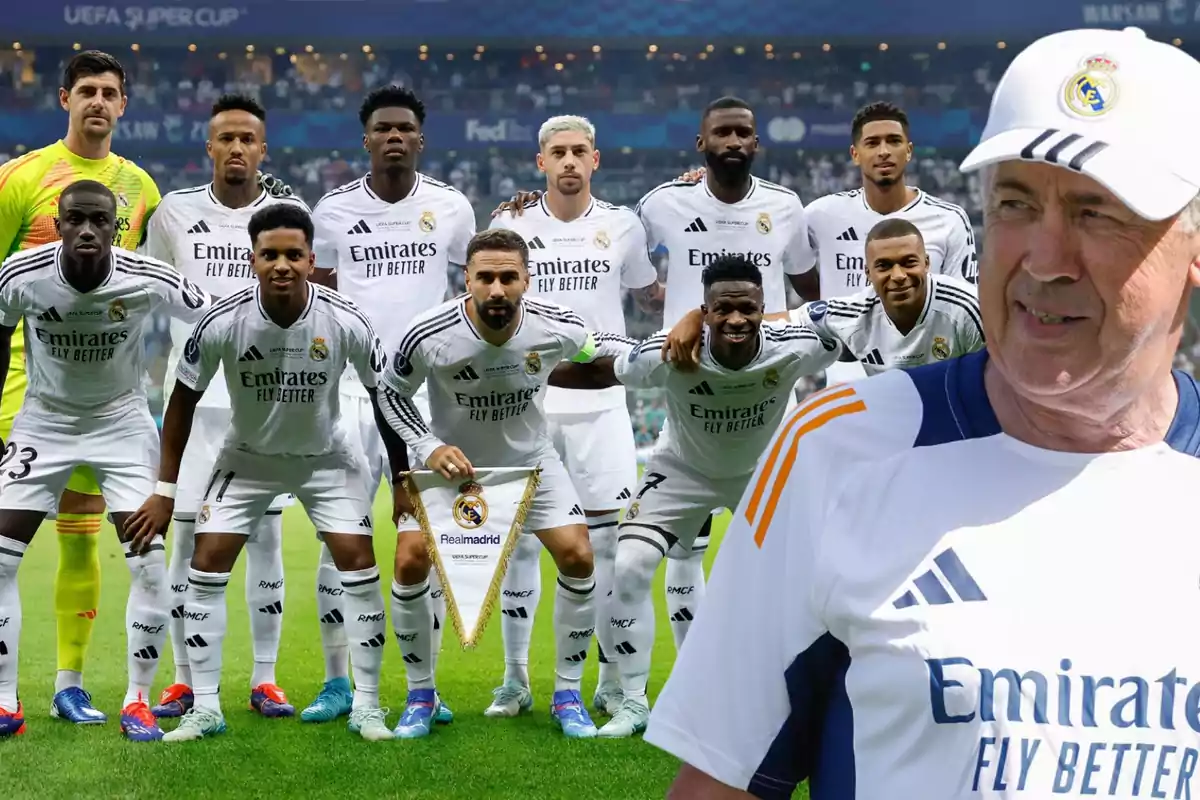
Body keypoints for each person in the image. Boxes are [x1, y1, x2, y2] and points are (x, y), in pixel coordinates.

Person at [645, 26, 1200, 799]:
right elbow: (719, 785)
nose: (1044, 260)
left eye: (1097, 212)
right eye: (1016, 202)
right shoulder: (834, 452)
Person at [127, 203, 399, 744]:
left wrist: (406, 480)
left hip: (326, 459)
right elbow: (180, 403)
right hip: (246, 459)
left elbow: (382, 396)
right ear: (252, 259)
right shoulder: (222, 321)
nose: (281, 265)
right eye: (269, 254)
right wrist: (165, 490)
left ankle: (367, 705)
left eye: (293, 255)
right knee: (206, 561)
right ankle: (206, 706)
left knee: (357, 561)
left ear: (311, 260)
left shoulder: (345, 320)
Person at [550, 254, 839, 738]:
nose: (735, 319)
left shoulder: (796, 345)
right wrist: (525, 369)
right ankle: (635, 701)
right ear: (704, 311)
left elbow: (852, 321)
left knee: (803, 579)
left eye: (747, 308)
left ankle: (802, 691)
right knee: (629, 565)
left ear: (764, 307)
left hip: (762, 474)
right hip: (681, 469)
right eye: (721, 309)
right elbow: (602, 369)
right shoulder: (669, 352)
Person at [376, 228, 635, 740]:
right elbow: (390, 393)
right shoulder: (426, 333)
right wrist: (427, 447)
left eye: (508, 277)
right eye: (486, 277)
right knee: (408, 562)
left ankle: (567, 694)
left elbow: (603, 346)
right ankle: (420, 695)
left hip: (531, 463)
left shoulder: (555, 325)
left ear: (527, 280)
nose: (497, 289)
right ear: (466, 279)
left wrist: (665, 344)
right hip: (451, 471)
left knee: (579, 556)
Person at [0, 180, 212, 740]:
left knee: (147, 559)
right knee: (0, 556)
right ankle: (3, 699)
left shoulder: (148, 276)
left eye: (101, 220)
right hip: (44, 420)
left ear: (116, 227)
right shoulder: (21, 274)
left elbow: (213, 318)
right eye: (77, 220)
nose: (89, 229)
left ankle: (137, 700)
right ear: (59, 223)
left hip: (121, 423)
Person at [303, 85, 476, 725]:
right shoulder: (332, 210)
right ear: (366, 139)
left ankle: (423, 689)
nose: (395, 136)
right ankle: (336, 682)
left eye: (406, 127)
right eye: (384, 128)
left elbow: (474, 278)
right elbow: (319, 288)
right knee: (339, 537)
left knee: (418, 544)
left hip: (425, 394)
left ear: (420, 139)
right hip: (347, 391)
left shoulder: (452, 207)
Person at [0, 50, 161, 724]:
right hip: (22, 381)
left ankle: (69, 682)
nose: (98, 102)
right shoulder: (20, 177)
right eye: (86, 90)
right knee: (13, 540)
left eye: (110, 92)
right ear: (64, 97)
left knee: (80, 535)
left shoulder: (141, 188)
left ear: (124, 104)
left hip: (104, 385)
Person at [140, 94, 311, 721]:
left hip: (265, 402)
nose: (236, 148)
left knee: (264, 538)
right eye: (226, 139)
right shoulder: (175, 214)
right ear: (208, 148)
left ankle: (264, 679)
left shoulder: (288, 215)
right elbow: (150, 289)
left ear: (263, 149)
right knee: (184, 540)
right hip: (192, 398)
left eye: (248, 139)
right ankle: (185, 679)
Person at [486, 114, 662, 719]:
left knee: (609, 547)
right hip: (527, 403)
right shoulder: (508, 222)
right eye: (556, 152)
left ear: (595, 160)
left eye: (577, 152)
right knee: (519, 548)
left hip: (603, 402)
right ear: (540, 163)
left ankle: (609, 683)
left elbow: (649, 292)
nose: (567, 161)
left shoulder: (623, 225)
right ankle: (515, 680)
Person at [794, 218, 984, 375]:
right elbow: (788, 321)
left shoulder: (967, 309)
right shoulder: (855, 313)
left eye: (909, 262)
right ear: (868, 273)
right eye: (884, 266)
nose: (898, 276)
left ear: (926, 264)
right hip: (890, 415)